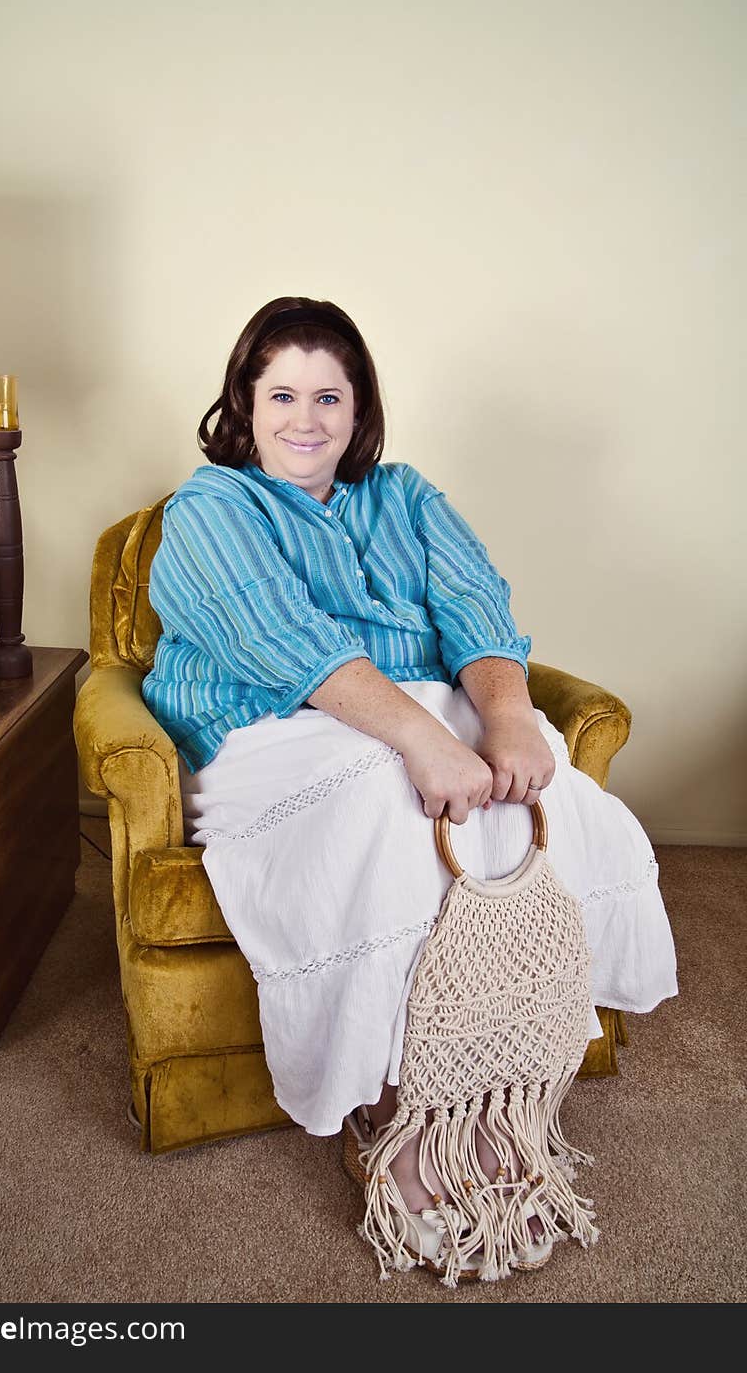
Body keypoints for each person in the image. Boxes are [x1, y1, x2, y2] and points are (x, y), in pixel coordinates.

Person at [141, 295, 678, 1279]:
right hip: (276, 727)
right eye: (283, 394)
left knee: (549, 806)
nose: (305, 418)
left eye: (329, 396)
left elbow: (473, 601)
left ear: (358, 410)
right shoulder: (210, 507)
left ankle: (492, 1108)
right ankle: (399, 1115)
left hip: (429, 702)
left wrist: (509, 720)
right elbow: (278, 639)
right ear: (245, 404)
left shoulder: (407, 495)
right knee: (393, 824)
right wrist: (423, 745)